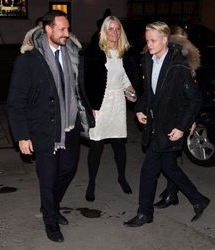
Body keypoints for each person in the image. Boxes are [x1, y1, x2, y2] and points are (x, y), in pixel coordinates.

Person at [7, 10, 94, 242]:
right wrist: (22, 135)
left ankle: (51, 207)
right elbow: (16, 101)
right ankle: (51, 221)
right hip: (44, 130)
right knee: (48, 177)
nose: (67, 33)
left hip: (70, 126)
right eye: (61, 29)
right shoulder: (29, 60)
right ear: (47, 29)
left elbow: (78, 89)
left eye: (68, 29)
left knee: (68, 169)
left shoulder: (73, 54)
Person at [124, 21, 210, 227]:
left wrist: (182, 126)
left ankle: (145, 213)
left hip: (170, 127)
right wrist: (139, 110)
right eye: (147, 40)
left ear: (165, 39)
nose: (149, 44)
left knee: (149, 171)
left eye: (153, 40)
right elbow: (149, 92)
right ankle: (198, 199)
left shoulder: (178, 65)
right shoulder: (148, 59)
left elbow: (194, 99)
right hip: (155, 124)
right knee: (169, 166)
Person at [84, 15, 137, 202]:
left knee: (119, 145)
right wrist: (90, 106)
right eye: (111, 29)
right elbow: (87, 82)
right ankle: (91, 183)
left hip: (118, 103)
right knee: (96, 146)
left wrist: (131, 92)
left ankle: (122, 177)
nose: (115, 32)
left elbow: (125, 79)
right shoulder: (96, 52)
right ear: (104, 32)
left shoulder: (125, 53)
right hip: (100, 103)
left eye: (118, 29)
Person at [154, 24, 200, 209]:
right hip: (174, 115)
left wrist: (189, 120)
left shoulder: (183, 60)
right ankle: (172, 193)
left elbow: (192, 93)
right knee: (170, 161)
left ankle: (181, 195)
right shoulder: (181, 57)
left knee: (168, 162)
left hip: (175, 117)